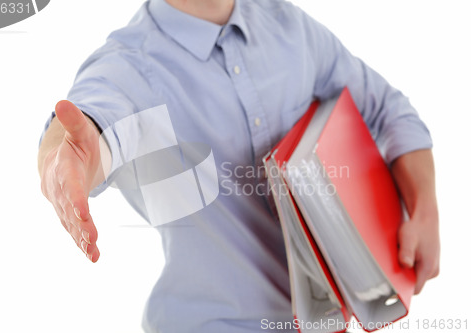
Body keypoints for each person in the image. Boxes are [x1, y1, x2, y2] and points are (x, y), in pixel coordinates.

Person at [37, 0, 440, 332]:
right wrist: (67, 158)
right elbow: (88, 126)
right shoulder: (127, 66)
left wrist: (424, 210)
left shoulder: (288, 25)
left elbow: (388, 110)